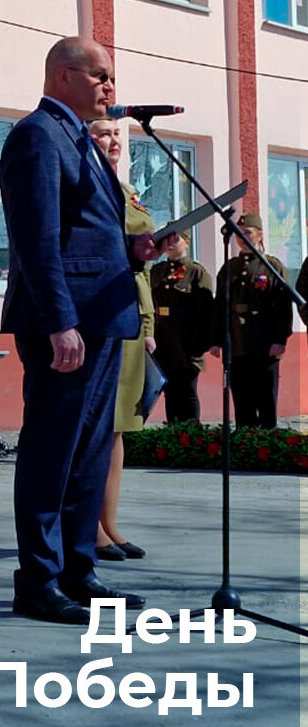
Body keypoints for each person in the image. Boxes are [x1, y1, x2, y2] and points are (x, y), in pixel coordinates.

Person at [0, 36, 159, 624]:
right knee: (52, 451)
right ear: (63, 76)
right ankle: (39, 581)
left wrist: (133, 249)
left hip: (104, 315)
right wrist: (60, 322)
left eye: (111, 77)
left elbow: (83, 232)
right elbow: (38, 241)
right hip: (65, 325)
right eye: (100, 76)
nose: (110, 87)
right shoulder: (38, 137)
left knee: (89, 452)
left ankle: (78, 572)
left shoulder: (82, 139)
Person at [88, 119, 153, 563]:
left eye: (117, 134)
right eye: (102, 133)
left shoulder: (127, 191)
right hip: (102, 314)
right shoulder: (88, 187)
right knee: (97, 428)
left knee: (118, 430)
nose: (113, 141)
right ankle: (88, 527)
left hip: (130, 314)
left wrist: (148, 328)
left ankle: (109, 523)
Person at [209, 213, 292, 429]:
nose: (242, 238)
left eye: (247, 233)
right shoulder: (229, 268)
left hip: (264, 341)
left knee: (265, 398)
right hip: (237, 342)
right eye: (239, 233)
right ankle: (244, 440)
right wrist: (216, 339)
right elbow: (220, 306)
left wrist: (280, 339)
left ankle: (267, 442)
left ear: (260, 235)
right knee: (242, 399)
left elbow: (283, 307)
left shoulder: (271, 267)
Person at [150, 231, 213, 424]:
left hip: (186, 344)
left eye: (175, 239)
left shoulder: (196, 272)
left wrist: (199, 345)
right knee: (170, 392)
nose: (170, 243)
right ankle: (173, 431)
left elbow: (205, 312)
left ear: (186, 242)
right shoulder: (157, 271)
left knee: (187, 392)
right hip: (163, 342)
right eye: (166, 239)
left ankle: (190, 433)